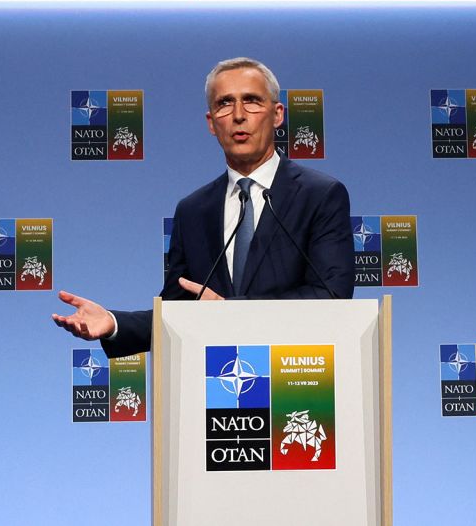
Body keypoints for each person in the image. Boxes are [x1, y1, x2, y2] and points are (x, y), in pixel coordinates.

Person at [52, 57, 354, 357]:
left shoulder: (321, 195)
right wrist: (115, 323)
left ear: (277, 115)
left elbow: (331, 294)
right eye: (224, 103)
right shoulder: (193, 211)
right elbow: (179, 312)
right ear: (211, 122)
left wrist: (228, 312)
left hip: (298, 377)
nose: (238, 115)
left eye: (251, 101)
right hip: (215, 384)